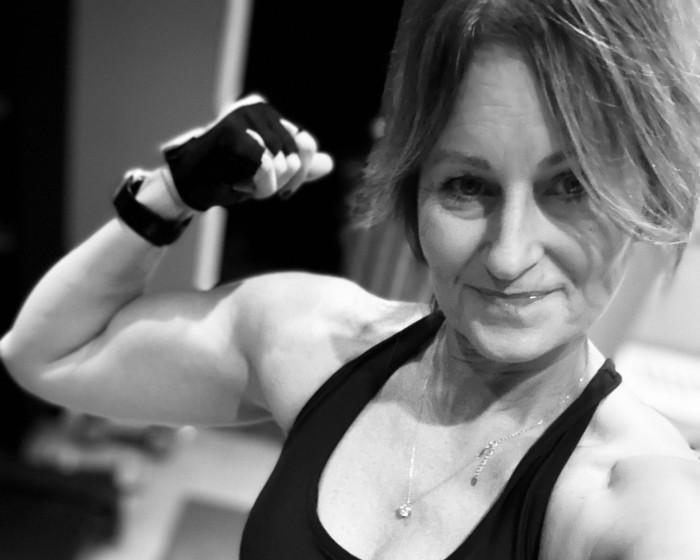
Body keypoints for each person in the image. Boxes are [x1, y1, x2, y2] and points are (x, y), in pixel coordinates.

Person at [3, 0, 700, 558]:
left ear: (646, 197)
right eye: (467, 185)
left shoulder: (635, 498)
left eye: (572, 187)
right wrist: (168, 196)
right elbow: (48, 355)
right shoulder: (324, 343)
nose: (508, 254)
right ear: (414, 192)